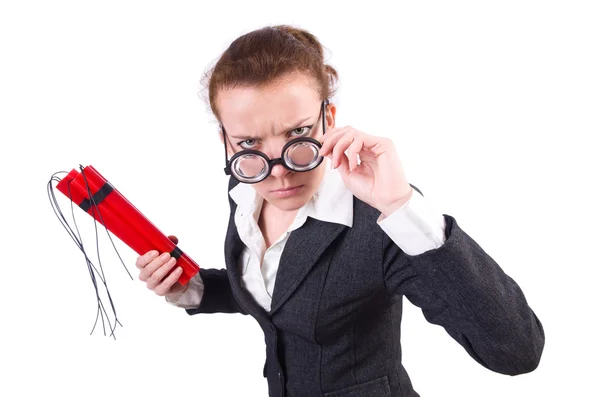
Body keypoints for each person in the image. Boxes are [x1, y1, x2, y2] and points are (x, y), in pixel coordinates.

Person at [134, 25, 545, 397]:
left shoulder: (381, 218)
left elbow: (516, 352)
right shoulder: (243, 187)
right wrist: (191, 288)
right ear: (225, 139)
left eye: (297, 133)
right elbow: (279, 293)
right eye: (248, 144)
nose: (277, 173)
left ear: (328, 117)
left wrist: (401, 206)